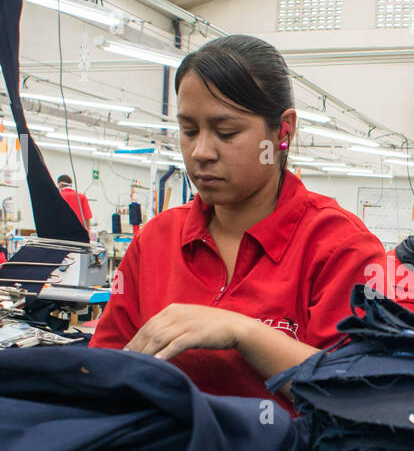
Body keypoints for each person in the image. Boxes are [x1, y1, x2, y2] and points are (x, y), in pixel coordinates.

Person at [89, 35, 385, 410]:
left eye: (226, 133)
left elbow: (357, 394)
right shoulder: (156, 241)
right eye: (189, 131)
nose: (201, 152)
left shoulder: (341, 247)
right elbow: (106, 367)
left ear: (283, 132)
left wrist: (243, 332)